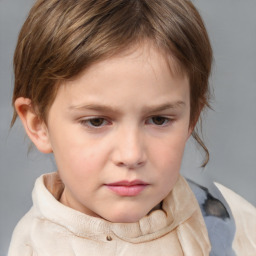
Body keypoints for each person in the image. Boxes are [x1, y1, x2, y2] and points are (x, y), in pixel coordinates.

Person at [8, 0, 256, 255]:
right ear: (39, 125)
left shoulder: (232, 224)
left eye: (159, 120)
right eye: (96, 121)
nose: (131, 155)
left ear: (192, 118)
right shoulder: (34, 248)